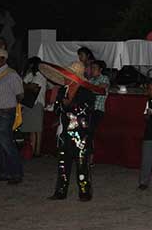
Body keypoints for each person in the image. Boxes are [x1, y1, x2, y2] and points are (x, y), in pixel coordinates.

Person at [40, 61, 104, 201]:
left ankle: (84, 192)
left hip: (81, 135)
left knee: (82, 164)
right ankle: (60, 191)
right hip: (64, 134)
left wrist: (68, 106)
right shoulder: (63, 90)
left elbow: (86, 111)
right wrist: (63, 106)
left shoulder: (86, 92)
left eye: (67, 76)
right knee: (63, 164)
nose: (64, 78)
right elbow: (56, 109)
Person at [0, 48, 24, 184]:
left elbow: (20, 95)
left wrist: (8, 104)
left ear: (4, 59)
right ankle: (2, 172)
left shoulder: (12, 75)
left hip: (4, 113)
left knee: (6, 142)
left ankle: (15, 173)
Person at [21, 57, 48, 157]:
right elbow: (22, 84)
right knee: (32, 129)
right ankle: (32, 150)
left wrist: (27, 85)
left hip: (37, 103)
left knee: (37, 129)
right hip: (29, 103)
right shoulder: (30, 75)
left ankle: (37, 151)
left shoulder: (40, 76)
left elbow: (35, 88)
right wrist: (28, 85)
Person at [87, 60, 110, 166]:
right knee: (85, 132)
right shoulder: (90, 80)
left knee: (90, 132)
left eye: (95, 68)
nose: (92, 70)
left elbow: (100, 89)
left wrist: (87, 87)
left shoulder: (104, 78)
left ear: (100, 69)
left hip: (98, 110)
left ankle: (90, 159)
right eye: (92, 68)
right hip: (89, 109)